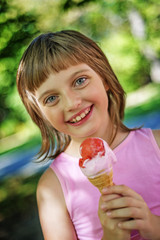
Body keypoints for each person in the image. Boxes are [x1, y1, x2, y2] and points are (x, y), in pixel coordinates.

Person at [16, 30, 160, 240]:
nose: (72, 103)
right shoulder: (53, 188)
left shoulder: (156, 145)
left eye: (80, 81)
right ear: (40, 114)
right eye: (52, 98)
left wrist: (151, 224)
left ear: (104, 77)